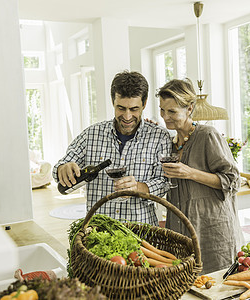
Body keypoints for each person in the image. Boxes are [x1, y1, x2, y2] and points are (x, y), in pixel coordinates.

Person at [52, 71, 171, 225]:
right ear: (112, 102)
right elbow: (59, 169)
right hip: (97, 232)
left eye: (134, 109)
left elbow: (165, 182)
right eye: (121, 108)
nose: (127, 117)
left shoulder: (159, 137)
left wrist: (139, 187)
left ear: (144, 103)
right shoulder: (92, 134)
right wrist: (63, 168)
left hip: (142, 233)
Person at [156, 78, 243, 274]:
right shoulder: (170, 143)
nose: (165, 117)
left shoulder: (207, 135)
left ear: (189, 109)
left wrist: (190, 173)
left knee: (218, 286)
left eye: (172, 111)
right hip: (181, 230)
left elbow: (233, 180)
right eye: (162, 110)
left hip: (212, 229)